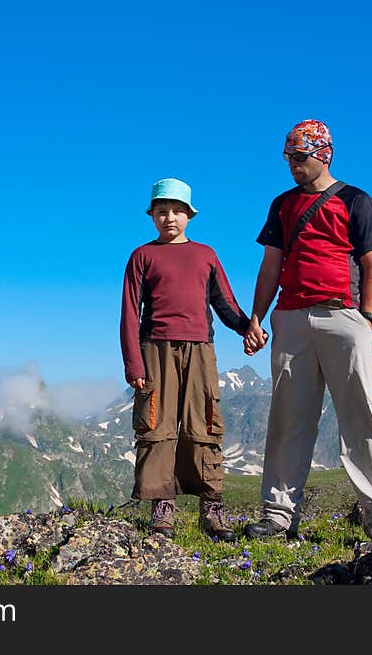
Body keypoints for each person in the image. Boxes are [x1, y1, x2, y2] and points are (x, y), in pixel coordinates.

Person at [242, 119, 372, 547]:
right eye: (288, 156)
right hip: (291, 317)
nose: (292, 164)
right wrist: (257, 318)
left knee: (360, 416)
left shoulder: (356, 200)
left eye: (299, 156)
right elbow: (271, 264)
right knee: (288, 419)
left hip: (342, 316)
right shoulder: (281, 205)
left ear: (323, 153)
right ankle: (278, 514)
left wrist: (366, 317)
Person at [120, 177, 260, 542]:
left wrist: (248, 328)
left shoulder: (206, 255)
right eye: (162, 211)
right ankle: (161, 506)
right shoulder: (142, 256)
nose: (170, 218)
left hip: (200, 349)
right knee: (156, 426)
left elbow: (225, 303)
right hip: (156, 350)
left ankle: (211, 507)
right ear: (152, 215)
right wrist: (133, 364)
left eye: (177, 211)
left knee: (205, 425)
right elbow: (129, 312)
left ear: (189, 215)